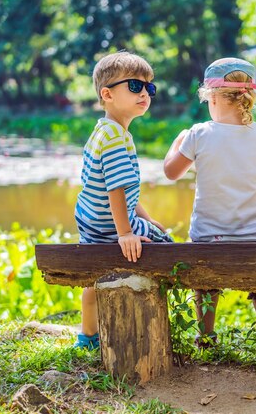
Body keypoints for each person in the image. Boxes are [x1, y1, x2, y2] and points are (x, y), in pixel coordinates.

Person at [163, 57, 256, 350]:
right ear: (249, 98)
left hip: (209, 239)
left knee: (205, 283)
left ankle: (206, 336)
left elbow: (171, 172)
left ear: (212, 97)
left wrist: (178, 142)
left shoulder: (199, 133)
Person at [73, 52, 172, 350]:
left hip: (91, 226)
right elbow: (115, 188)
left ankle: (87, 336)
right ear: (107, 94)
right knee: (167, 245)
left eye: (148, 88)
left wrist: (145, 216)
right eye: (134, 86)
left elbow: (123, 188)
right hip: (110, 227)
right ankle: (155, 323)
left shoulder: (104, 130)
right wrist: (126, 232)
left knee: (93, 278)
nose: (144, 93)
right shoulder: (116, 136)